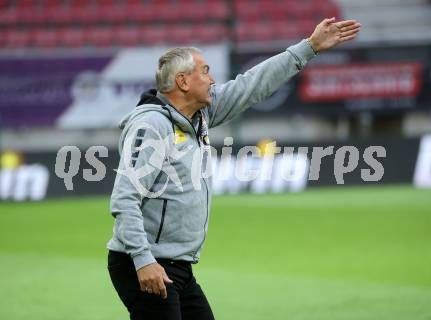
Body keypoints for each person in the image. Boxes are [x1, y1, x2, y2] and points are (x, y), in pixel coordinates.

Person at [107, 17, 361, 320]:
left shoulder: (198, 115)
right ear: (183, 82)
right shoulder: (151, 125)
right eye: (205, 71)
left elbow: (251, 84)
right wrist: (143, 259)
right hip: (146, 263)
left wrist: (309, 47)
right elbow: (124, 198)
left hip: (177, 266)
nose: (212, 80)